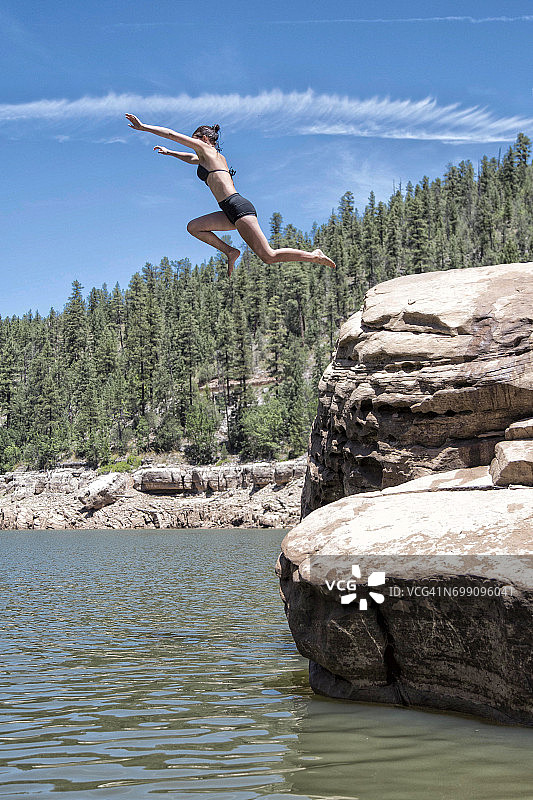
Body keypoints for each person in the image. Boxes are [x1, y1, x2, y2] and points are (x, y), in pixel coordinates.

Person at [125, 114, 336, 277]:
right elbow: (190, 158)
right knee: (194, 227)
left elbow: (171, 134)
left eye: (194, 140)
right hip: (228, 209)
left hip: (238, 207)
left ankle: (314, 255)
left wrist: (143, 127)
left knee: (268, 256)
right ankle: (230, 252)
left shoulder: (206, 150)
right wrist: (170, 153)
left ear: (204, 139)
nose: (193, 143)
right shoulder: (210, 157)